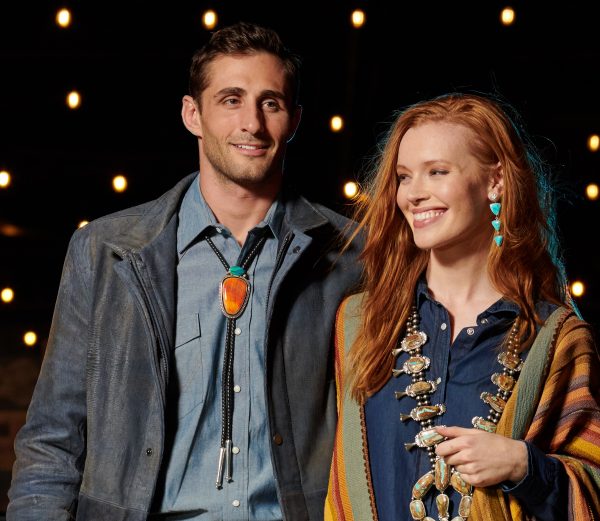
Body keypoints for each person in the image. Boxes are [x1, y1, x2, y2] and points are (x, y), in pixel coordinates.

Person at [7, 21, 362, 520]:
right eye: (231, 100)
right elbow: (53, 438)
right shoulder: (107, 252)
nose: (252, 124)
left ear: (295, 119)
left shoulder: (352, 255)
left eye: (271, 103)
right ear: (192, 114)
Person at [324, 92, 600, 521]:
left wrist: (524, 467)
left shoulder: (557, 338)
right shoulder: (359, 322)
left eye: (437, 172)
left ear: (496, 181)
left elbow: (594, 490)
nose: (413, 194)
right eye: (404, 176)